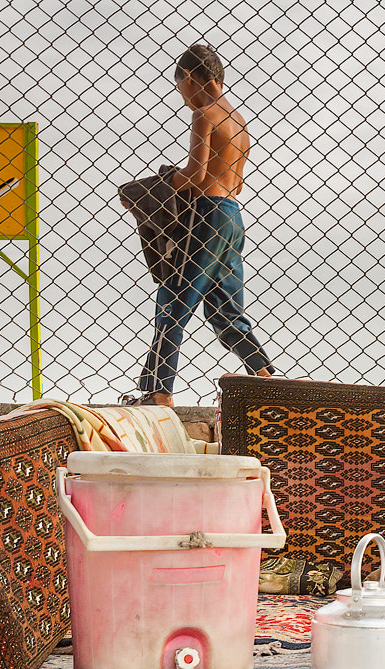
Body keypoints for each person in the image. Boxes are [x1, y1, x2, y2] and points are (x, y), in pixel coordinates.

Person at [123, 43, 276, 407]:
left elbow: (196, 174)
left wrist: (155, 186)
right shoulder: (239, 121)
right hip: (232, 215)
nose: (183, 98)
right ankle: (265, 377)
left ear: (190, 78)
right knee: (226, 308)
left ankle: (158, 392)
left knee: (174, 296)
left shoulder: (205, 114)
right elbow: (235, 182)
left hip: (204, 216)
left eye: (180, 88)